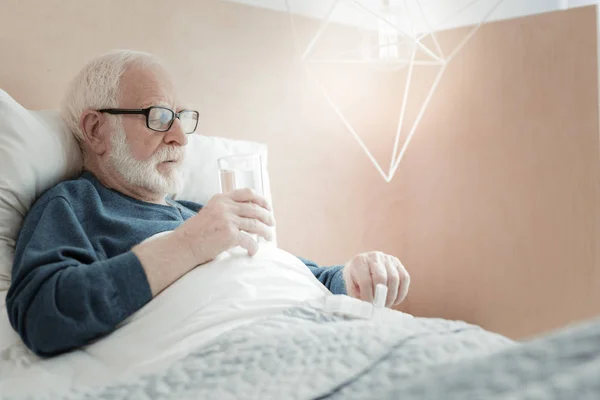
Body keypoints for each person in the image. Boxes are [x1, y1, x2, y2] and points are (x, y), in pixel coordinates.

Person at [6, 50, 410, 357]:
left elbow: (308, 276)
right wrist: (188, 245)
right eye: (160, 116)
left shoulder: (197, 213)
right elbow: (42, 317)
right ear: (96, 130)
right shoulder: (74, 206)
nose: (181, 137)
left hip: (320, 330)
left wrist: (354, 277)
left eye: (182, 117)